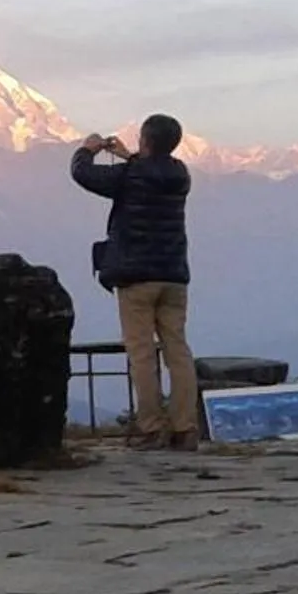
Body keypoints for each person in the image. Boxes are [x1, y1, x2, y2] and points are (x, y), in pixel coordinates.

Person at [72, 116, 196, 450]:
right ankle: (186, 428)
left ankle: (151, 428)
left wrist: (87, 149)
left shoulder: (129, 175)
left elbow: (83, 174)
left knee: (141, 352)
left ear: (145, 140)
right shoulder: (181, 174)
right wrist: (129, 156)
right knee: (178, 351)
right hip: (173, 275)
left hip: (136, 276)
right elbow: (150, 173)